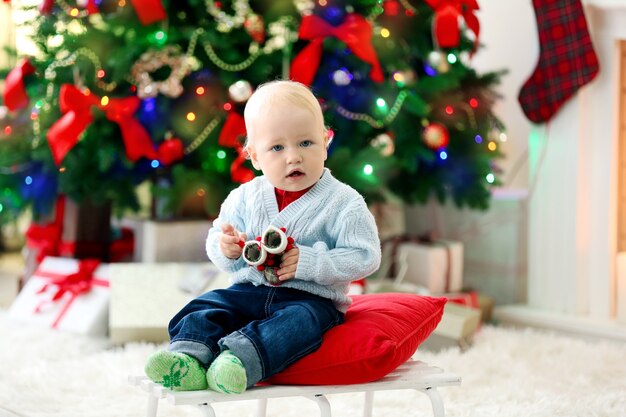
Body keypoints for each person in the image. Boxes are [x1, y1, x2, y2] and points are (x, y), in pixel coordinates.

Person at [144, 80, 381, 394]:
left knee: (297, 326)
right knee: (203, 306)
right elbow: (218, 237)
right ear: (254, 156)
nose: (293, 157)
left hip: (310, 300)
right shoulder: (245, 197)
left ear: (326, 142)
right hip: (248, 292)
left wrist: (311, 261)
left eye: (306, 143)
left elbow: (365, 256)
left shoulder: (344, 202)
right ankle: (189, 358)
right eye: (277, 148)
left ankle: (236, 363)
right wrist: (225, 248)